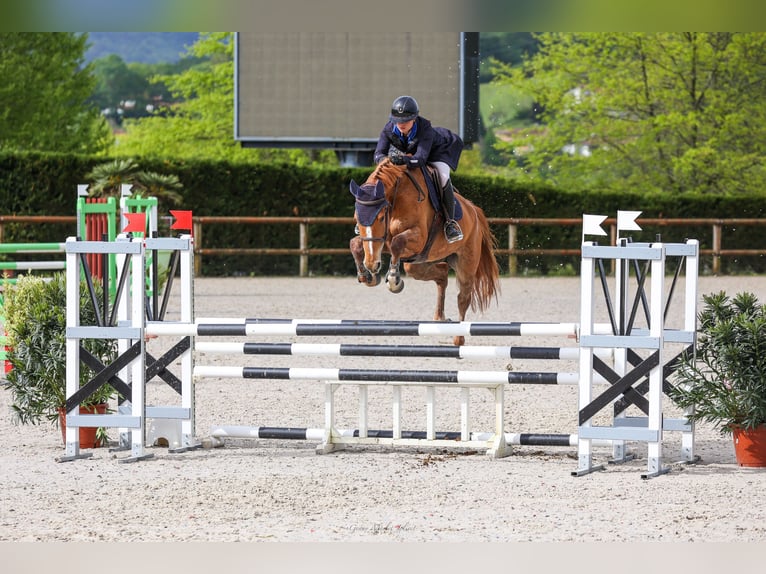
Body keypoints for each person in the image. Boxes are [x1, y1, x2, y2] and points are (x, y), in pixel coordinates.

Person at [373, 95, 465, 243]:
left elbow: (421, 159)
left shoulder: (425, 129)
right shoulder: (388, 129)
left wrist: (402, 159)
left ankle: (450, 223)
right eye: (397, 121)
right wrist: (386, 161)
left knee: (442, 177)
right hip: (413, 155)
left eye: (405, 121)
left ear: (414, 118)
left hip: (438, 151)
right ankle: (368, 218)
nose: (401, 124)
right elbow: (378, 154)